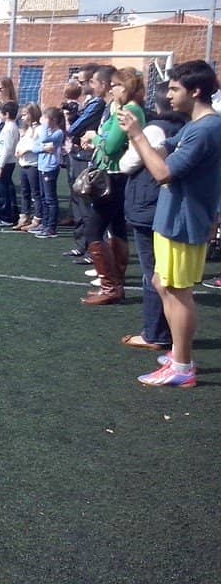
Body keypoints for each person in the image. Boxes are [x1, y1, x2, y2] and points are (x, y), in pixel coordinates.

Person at [116, 60, 221, 387]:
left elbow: (163, 173)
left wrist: (137, 135)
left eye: (175, 88)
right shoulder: (195, 125)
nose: (169, 95)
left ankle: (182, 365)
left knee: (178, 291)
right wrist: (140, 138)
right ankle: (179, 351)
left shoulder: (207, 129)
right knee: (164, 283)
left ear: (196, 90)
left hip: (184, 219)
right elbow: (165, 151)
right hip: (174, 216)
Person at [120, 81, 187, 352]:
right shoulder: (190, 128)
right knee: (171, 276)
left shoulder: (155, 129)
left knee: (155, 274)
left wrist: (136, 138)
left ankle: (156, 333)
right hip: (175, 207)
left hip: (150, 205)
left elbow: (128, 163)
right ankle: (171, 334)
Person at [79, 67, 146, 306]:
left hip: (113, 177)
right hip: (116, 176)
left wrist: (94, 138)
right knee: (117, 227)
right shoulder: (125, 108)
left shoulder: (129, 110)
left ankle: (110, 286)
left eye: (117, 85)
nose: (112, 89)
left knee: (94, 230)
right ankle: (116, 280)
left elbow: (111, 146)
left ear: (125, 88)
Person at [65, 64, 107, 259]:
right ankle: (82, 243)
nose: (81, 86)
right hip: (78, 153)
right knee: (77, 201)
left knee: (87, 202)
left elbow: (75, 128)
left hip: (88, 156)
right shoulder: (87, 103)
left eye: (84, 82)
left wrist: (72, 124)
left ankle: (93, 248)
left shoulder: (98, 104)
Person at [30, 107, 66, 239]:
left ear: (53, 120)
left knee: (50, 199)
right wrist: (44, 149)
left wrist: (44, 126)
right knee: (44, 198)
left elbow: (45, 139)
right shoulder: (48, 132)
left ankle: (51, 227)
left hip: (50, 168)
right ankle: (44, 224)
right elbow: (35, 147)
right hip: (42, 166)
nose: (42, 121)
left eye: (45, 118)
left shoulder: (58, 133)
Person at [0, 100, 19, 227]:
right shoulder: (10, 127)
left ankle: (5, 216)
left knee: (1, 190)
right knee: (4, 188)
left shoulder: (9, 129)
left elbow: (7, 149)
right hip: (6, 162)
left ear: (6, 114)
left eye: (0, 114)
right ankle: (7, 214)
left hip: (4, 163)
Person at [14, 104, 43, 232]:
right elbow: (22, 142)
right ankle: (24, 216)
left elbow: (36, 145)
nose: (23, 117)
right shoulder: (27, 129)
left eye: (25, 114)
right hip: (24, 164)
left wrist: (25, 150)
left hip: (33, 165)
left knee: (35, 193)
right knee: (25, 192)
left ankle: (38, 218)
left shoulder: (38, 129)